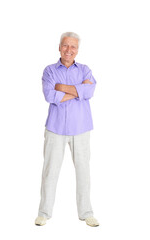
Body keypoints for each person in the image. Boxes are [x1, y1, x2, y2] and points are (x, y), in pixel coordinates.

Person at [35, 32, 99, 227]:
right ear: (59, 47)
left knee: (83, 171)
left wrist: (62, 87)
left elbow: (90, 91)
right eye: (65, 46)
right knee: (50, 171)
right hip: (55, 128)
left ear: (77, 50)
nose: (68, 50)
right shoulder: (49, 71)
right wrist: (79, 91)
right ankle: (44, 213)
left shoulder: (85, 70)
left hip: (81, 128)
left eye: (73, 47)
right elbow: (50, 95)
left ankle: (86, 213)